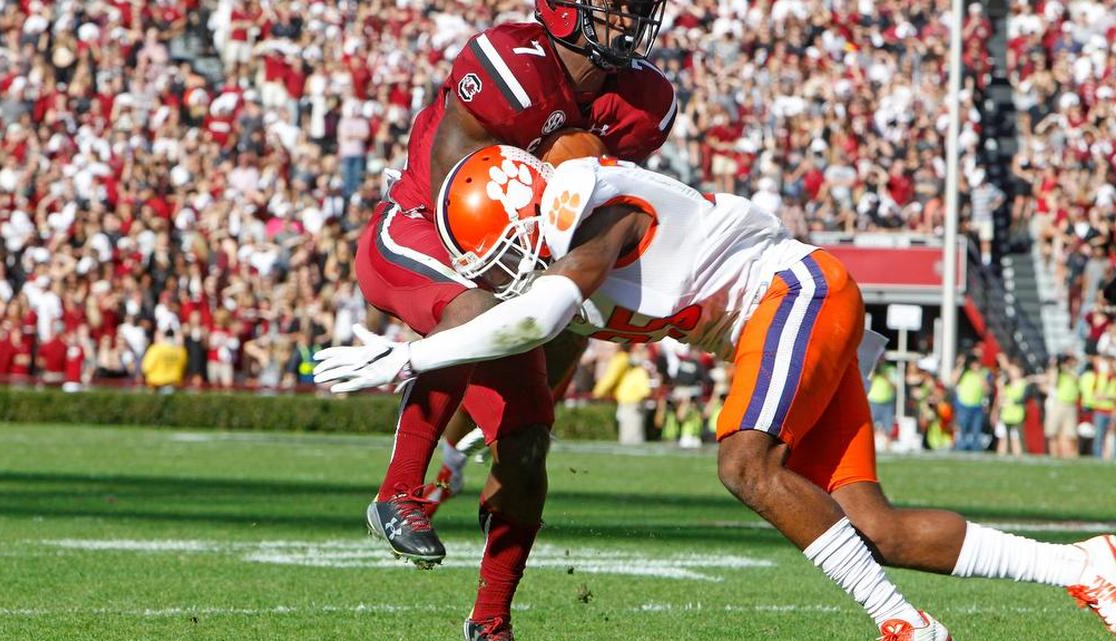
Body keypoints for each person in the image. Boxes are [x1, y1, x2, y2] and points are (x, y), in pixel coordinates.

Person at [316, 147, 1116, 639]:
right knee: (877, 527)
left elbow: (539, 314)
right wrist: (453, 452)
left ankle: (902, 623)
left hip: (796, 293)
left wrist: (409, 358)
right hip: (796, 312)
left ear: (530, 218)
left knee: (745, 465)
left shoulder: (598, 220)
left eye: (498, 253)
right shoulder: (565, 256)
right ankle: (1085, 565)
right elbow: (542, 364)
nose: (495, 275)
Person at [347, 2, 676, 638]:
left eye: (636, 9)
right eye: (613, 7)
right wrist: (508, 269)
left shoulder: (643, 101)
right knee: (472, 311)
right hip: (423, 229)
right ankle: (399, 491)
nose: (629, 21)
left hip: (515, 265)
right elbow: (452, 190)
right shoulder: (509, 64)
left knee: (527, 444)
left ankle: (491, 621)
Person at [951, 353, 990, 452]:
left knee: (976, 430)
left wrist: (979, 374)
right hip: (964, 405)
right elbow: (953, 380)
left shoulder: (984, 373)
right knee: (962, 427)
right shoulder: (964, 373)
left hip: (977, 406)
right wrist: (960, 365)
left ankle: (975, 449)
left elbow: (987, 389)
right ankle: (961, 447)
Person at [1045, 354, 1080, 459]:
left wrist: (1066, 369)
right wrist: (1055, 367)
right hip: (1058, 404)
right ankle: (1054, 455)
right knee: (1052, 432)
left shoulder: (1074, 373)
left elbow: (1076, 378)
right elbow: (1052, 382)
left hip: (1070, 405)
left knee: (1070, 434)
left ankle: (1071, 456)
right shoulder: (1058, 373)